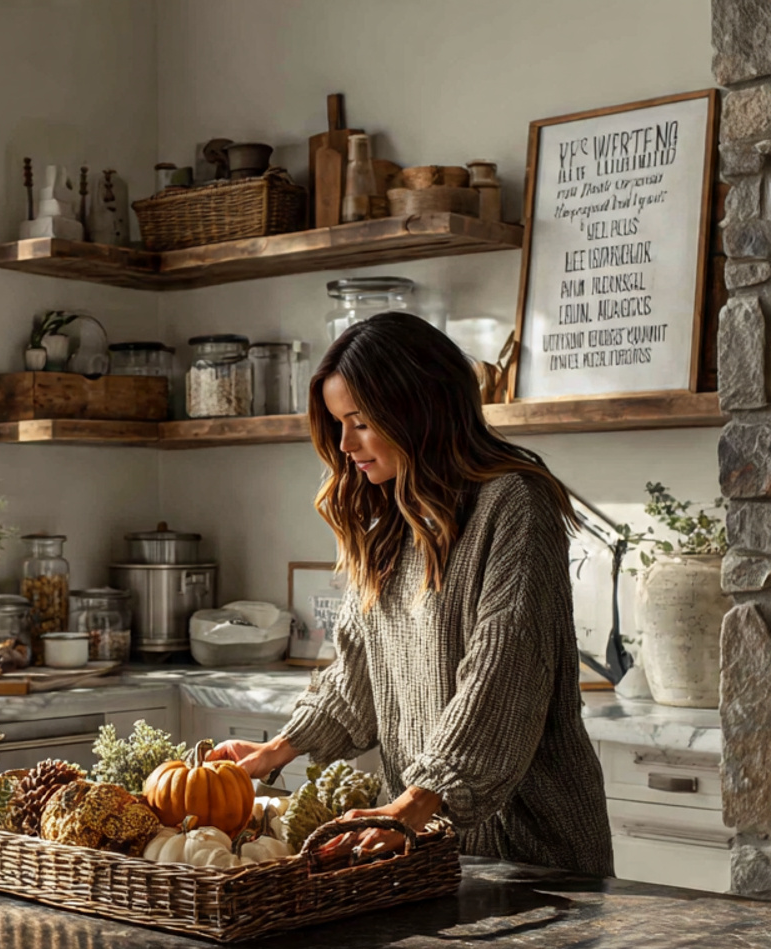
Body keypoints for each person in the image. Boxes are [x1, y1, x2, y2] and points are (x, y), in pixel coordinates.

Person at [210, 312, 612, 874]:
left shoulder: (514, 503)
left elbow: (505, 672)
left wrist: (419, 798)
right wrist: (278, 750)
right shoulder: (390, 526)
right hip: (427, 844)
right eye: (338, 424)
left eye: (361, 422)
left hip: (534, 852)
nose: (346, 443)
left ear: (419, 410)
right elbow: (356, 676)